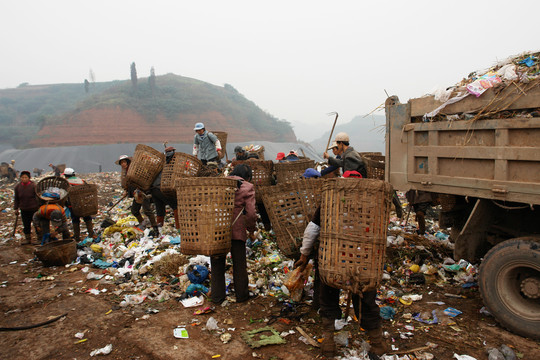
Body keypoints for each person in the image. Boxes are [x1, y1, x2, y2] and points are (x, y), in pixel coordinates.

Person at [295, 171, 388, 358]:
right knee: (366, 299)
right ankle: (377, 342)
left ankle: (328, 340)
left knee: (328, 294)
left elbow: (312, 229)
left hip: (334, 259)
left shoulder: (332, 202)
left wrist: (304, 255)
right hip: (363, 261)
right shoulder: (372, 206)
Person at [210, 164, 257, 304]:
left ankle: (217, 297)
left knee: (217, 262)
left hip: (217, 228)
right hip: (236, 229)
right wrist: (251, 229)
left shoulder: (219, 184)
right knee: (239, 263)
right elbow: (251, 213)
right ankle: (241, 296)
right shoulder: (247, 187)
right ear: (246, 176)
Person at [115, 155, 160, 237]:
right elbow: (126, 183)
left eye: (124, 162)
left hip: (142, 192)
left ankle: (155, 228)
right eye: (121, 163)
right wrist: (126, 190)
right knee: (134, 210)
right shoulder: (125, 172)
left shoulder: (134, 170)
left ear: (128, 162)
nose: (123, 164)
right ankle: (143, 224)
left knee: (147, 211)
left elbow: (140, 180)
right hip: (135, 194)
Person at [150, 147, 179, 229]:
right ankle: (179, 228)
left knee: (160, 209)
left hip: (153, 189)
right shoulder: (169, 162)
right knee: (176, 206)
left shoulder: (159, 161)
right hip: (161, 188)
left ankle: (158, 229)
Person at [63, 168, 95, 241]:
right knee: (87, 218)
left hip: (73, 205)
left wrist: (66, 204)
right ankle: (91, 234)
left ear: (66, 176)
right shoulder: (82, 181)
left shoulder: (66, 183)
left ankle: (77, 236)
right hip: (84, 203)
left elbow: (64, 195)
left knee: (75, 220)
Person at [13, 171, 40, 245]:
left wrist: (39, 207)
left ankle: (39, 239)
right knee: (26, 225)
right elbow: (16, 199)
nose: (24, 179)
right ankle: (28, 239)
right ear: (20, 178)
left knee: (36, 224)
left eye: (26, 177)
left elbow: (38, 197)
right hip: (24, 209)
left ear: (29, 178)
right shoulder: (17, 187)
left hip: (34, 209)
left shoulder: (33, 186)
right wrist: (16, 208)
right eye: (22, 177)